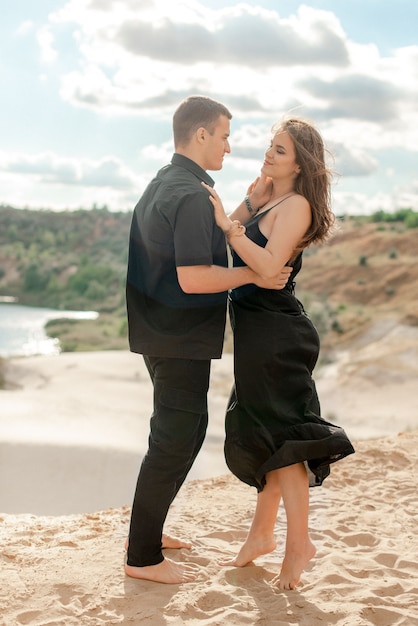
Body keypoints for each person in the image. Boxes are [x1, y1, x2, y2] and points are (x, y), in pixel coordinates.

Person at [125, 95, 292, 584]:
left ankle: (148, 533)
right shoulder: (192, 193)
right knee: (174, 441)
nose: (229, 146)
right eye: (223, 135)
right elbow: (196, 275)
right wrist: (253, 277)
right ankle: (142, 558)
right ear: (201, 135)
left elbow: (196, 240)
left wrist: (247, 206)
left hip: (159, 332)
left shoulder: (168, 181)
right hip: (178, 336)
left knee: (183, 435)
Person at [202, 116, 355, 590]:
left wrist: (231, 229)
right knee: (264, 431)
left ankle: (298, 547)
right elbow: (241, 240)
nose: (270, 154)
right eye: (271, 146)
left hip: (276, 334)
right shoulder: (274, 200)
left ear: (301, 163)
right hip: (254, 332)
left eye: (281, 150)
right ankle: (261, 534)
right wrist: (248, 204)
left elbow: (269, 264)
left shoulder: (299, 207)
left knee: (285, 442)